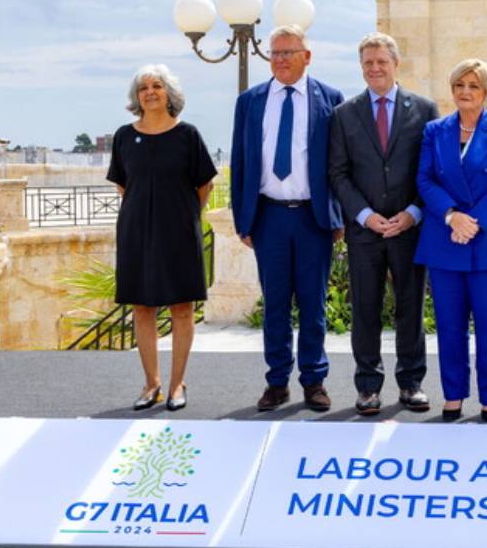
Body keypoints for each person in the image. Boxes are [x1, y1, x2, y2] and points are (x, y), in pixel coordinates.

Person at [230, 24, 345, 413]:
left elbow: (338, 164)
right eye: (274, 53)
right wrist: (242, 219)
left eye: (287, 52)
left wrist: (338, 216)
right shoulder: (251, 101)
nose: (279, 59)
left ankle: (314, 380)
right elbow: (241, 160)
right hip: (269, 217)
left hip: (313, 218)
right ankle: (276, 382)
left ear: (307, 56)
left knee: (313, 304)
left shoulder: (330, 99)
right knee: (275, 303)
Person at [328, 32, 439, 416]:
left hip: (410, 228)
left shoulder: (424, 110)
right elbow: (338, 173)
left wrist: (413, 213)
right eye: (368, 63)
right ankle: (368, 387)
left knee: (410, 307)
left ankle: (411, 384)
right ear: (361, 68)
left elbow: (434, 171)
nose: (375, 68)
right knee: (365, 309)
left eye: (381, 62)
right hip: (365, 231)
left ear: (396, 64)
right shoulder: (344, 114)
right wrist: (364, 215)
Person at [414, 59, 487, 423]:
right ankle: (453, 395)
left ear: (486, 92)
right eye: (459, 85)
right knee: (449, 326)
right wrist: (451, 216)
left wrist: (473, 222)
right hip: (445, 241)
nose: (465, 92)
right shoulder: (434, 131)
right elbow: (425, 180)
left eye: (473, 86)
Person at [107, 64, 216, 412]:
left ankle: (176, 383)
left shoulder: (187, 135)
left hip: (179, 232)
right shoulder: (125, 136)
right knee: (143, 307)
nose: (150, 92)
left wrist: (184, 217)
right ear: (136, 97)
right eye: (143, 88)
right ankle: (151, 383)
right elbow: (125, 185)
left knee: (182, 307)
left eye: (157, 85)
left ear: (169, 93)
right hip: (136, 231)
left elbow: (205, 184)